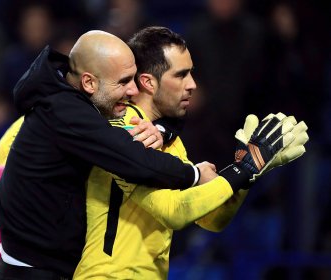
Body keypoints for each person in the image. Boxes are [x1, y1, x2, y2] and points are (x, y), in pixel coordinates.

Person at [72, 27, 309, 279]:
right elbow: (173, 212)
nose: (192, 85)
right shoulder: (128, 130)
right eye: (181, 75)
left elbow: (212, 220)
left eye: (191, 73)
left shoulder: (168, 139)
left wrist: (249, 172)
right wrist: (244, 170)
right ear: (149, 82)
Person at [0, 30, 216, 279]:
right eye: (123, 82)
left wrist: (161, 130)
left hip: (43, 265)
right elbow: (137, 163)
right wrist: (196, 175)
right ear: (89, 83)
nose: (133, 90)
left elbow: (166, 107)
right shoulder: (67, 114)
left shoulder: (79, 100)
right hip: (34, 271)